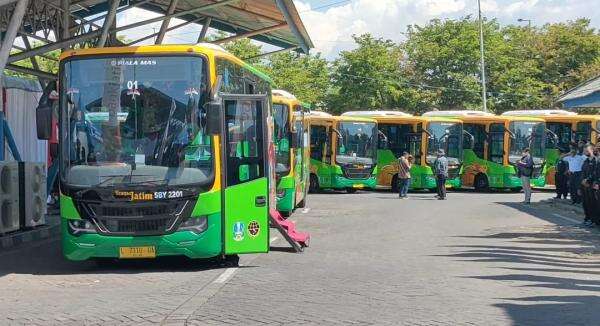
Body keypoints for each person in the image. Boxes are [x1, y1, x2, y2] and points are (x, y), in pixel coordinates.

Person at [580, 144, 596, 227]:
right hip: (584, 185)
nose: (585, 152)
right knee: (585, 203)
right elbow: (582, 172)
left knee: (591, 203)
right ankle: (587, 218)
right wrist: (582, 181)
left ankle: (592, 220)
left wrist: (588, 180)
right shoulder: (585, 161)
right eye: (584, 150)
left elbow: (595, 173)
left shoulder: (595, 160)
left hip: (591, 185)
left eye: (587, 150)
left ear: (592, 150)